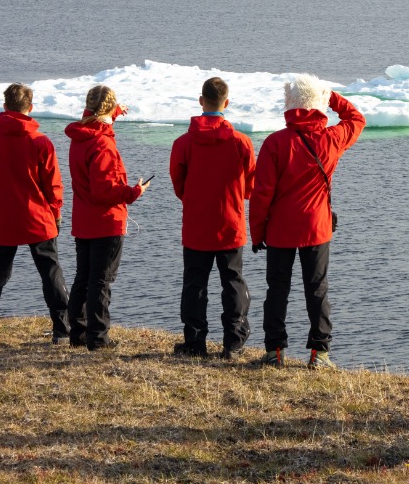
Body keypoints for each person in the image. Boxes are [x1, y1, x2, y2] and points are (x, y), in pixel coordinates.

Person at [249, 74, 365, 370]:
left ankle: (274, 351)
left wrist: (256, 234)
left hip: (279, 229)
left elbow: (261, 193)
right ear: (320, 105)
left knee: (277, 290)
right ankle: (319, 353)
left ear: (290, 104)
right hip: (316, 226)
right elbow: (356, 118)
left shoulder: (275, 142)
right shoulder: (332, 138)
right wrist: (331, 95)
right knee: (317, 289)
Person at [0, 83, 70, 345]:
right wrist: (56, 214)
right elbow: (54, 185)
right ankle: (62, 329)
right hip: (38, 217)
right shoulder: (41, 142)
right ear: (30, 108)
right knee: (50, 272)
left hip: (1, 216)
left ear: (5, 107)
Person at [169, 77, 256, 359]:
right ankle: (234, 342)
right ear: (226, 103)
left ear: (200, 101)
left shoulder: (183, 143)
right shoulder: (241, 142)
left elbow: (178, 182)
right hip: (230, 222)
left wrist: (194, 200)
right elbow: (251, 186)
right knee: (232, 281)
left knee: (195, 283)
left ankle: (195, 343)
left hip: (196, 223)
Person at [64, 85, 150, 351]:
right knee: (101, 280)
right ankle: (98, 338)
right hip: (106, 221)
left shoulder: (81, 137)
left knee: (84, 277)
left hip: (84, 219)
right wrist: (134, 192)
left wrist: (113, 114)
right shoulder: (102, 144)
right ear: (108, 108)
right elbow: (104, 190)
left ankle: (78, 333)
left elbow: (96, 123)